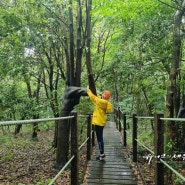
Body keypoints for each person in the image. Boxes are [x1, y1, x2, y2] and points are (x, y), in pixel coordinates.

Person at [87, 87, 113, 160]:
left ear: (105, 96)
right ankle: (102, 153)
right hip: (100, 121)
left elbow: (94, 98)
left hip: (98, 122)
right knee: (99, 138)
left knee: (99, 138)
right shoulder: (105, 101)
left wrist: (88, 90)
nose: (102, 94)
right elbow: (97, 97)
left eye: (103, 94)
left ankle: (102, 154)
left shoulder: (103, 102)